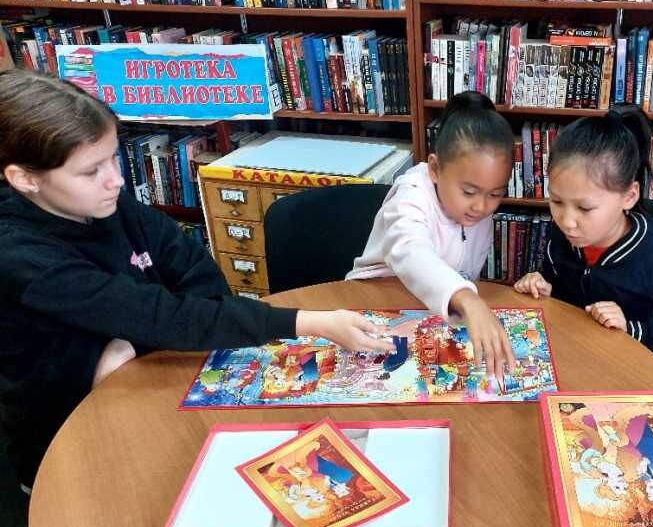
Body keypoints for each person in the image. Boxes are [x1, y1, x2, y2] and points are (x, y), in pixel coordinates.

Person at [0, 69, 393, 488]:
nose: (116, 179)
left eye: (114, 158)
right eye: (90, 170)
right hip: (65, 445)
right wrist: (307, 322)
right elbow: (158, 315)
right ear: (24, 179)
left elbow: (198, 280)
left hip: (160, 386)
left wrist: (140, 338)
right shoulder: (17, 251)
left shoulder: (108, 203)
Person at [513, 106, 653, 368]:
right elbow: (560, 288)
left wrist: (634, 329)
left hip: (632, 370)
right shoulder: (564, 234)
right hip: (573, 355)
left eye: (585, 208)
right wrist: (543, 287)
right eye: (556, 201)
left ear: (629, 197)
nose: (566, 221)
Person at [347, 91, 517, 385]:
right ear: (435, 169)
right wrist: (467, 299)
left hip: (432, 313)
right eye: (469, 192)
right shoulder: (411, 196)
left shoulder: (476, 210)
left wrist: (464, 300)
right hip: (374, 304)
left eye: (495, 194)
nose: (481, 206)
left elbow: (465, 271)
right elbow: (411, 251)